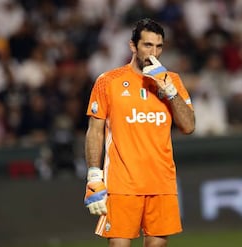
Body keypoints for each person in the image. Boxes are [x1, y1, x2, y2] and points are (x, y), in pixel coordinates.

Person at [83, 18, 195, 247]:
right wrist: (94, 176)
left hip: (161, 182)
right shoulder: (108, 82)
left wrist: (169, 90)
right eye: (147, 45)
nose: (154, 52)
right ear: (133, 46)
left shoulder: (172, 80)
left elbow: (189, 126)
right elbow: (95, 132)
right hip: (123, 182)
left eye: (159, 46)